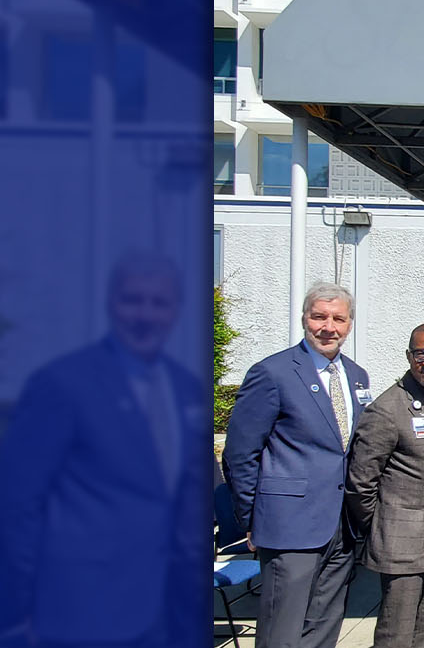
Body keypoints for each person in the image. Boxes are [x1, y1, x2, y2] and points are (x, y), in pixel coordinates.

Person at [0, 253, 206, 646]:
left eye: (159, 302)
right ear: (110, 304)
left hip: (168, 608)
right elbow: (17, 504)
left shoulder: (185, 388)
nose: (145, 314)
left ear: (176, 310)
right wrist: (18, 611)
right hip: (80, 608)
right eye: (133, 300)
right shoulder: (61, 384)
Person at [224, 282, 372, 648]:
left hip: (341, 525)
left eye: (338, 319)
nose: (329, 327)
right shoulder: (272, 373)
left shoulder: (357, 376)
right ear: (304, 318)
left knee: (324, 627)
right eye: (319, 317)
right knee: (282, 632)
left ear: (350, 324)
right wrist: (252, 519)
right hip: (288, 526)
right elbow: (240, 454)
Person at [346, 323, 424, 648]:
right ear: (409, 356)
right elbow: (360, 482)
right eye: (421, 354)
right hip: (403, 545)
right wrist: (385, 526)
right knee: (395, 636)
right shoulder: (386, 409)